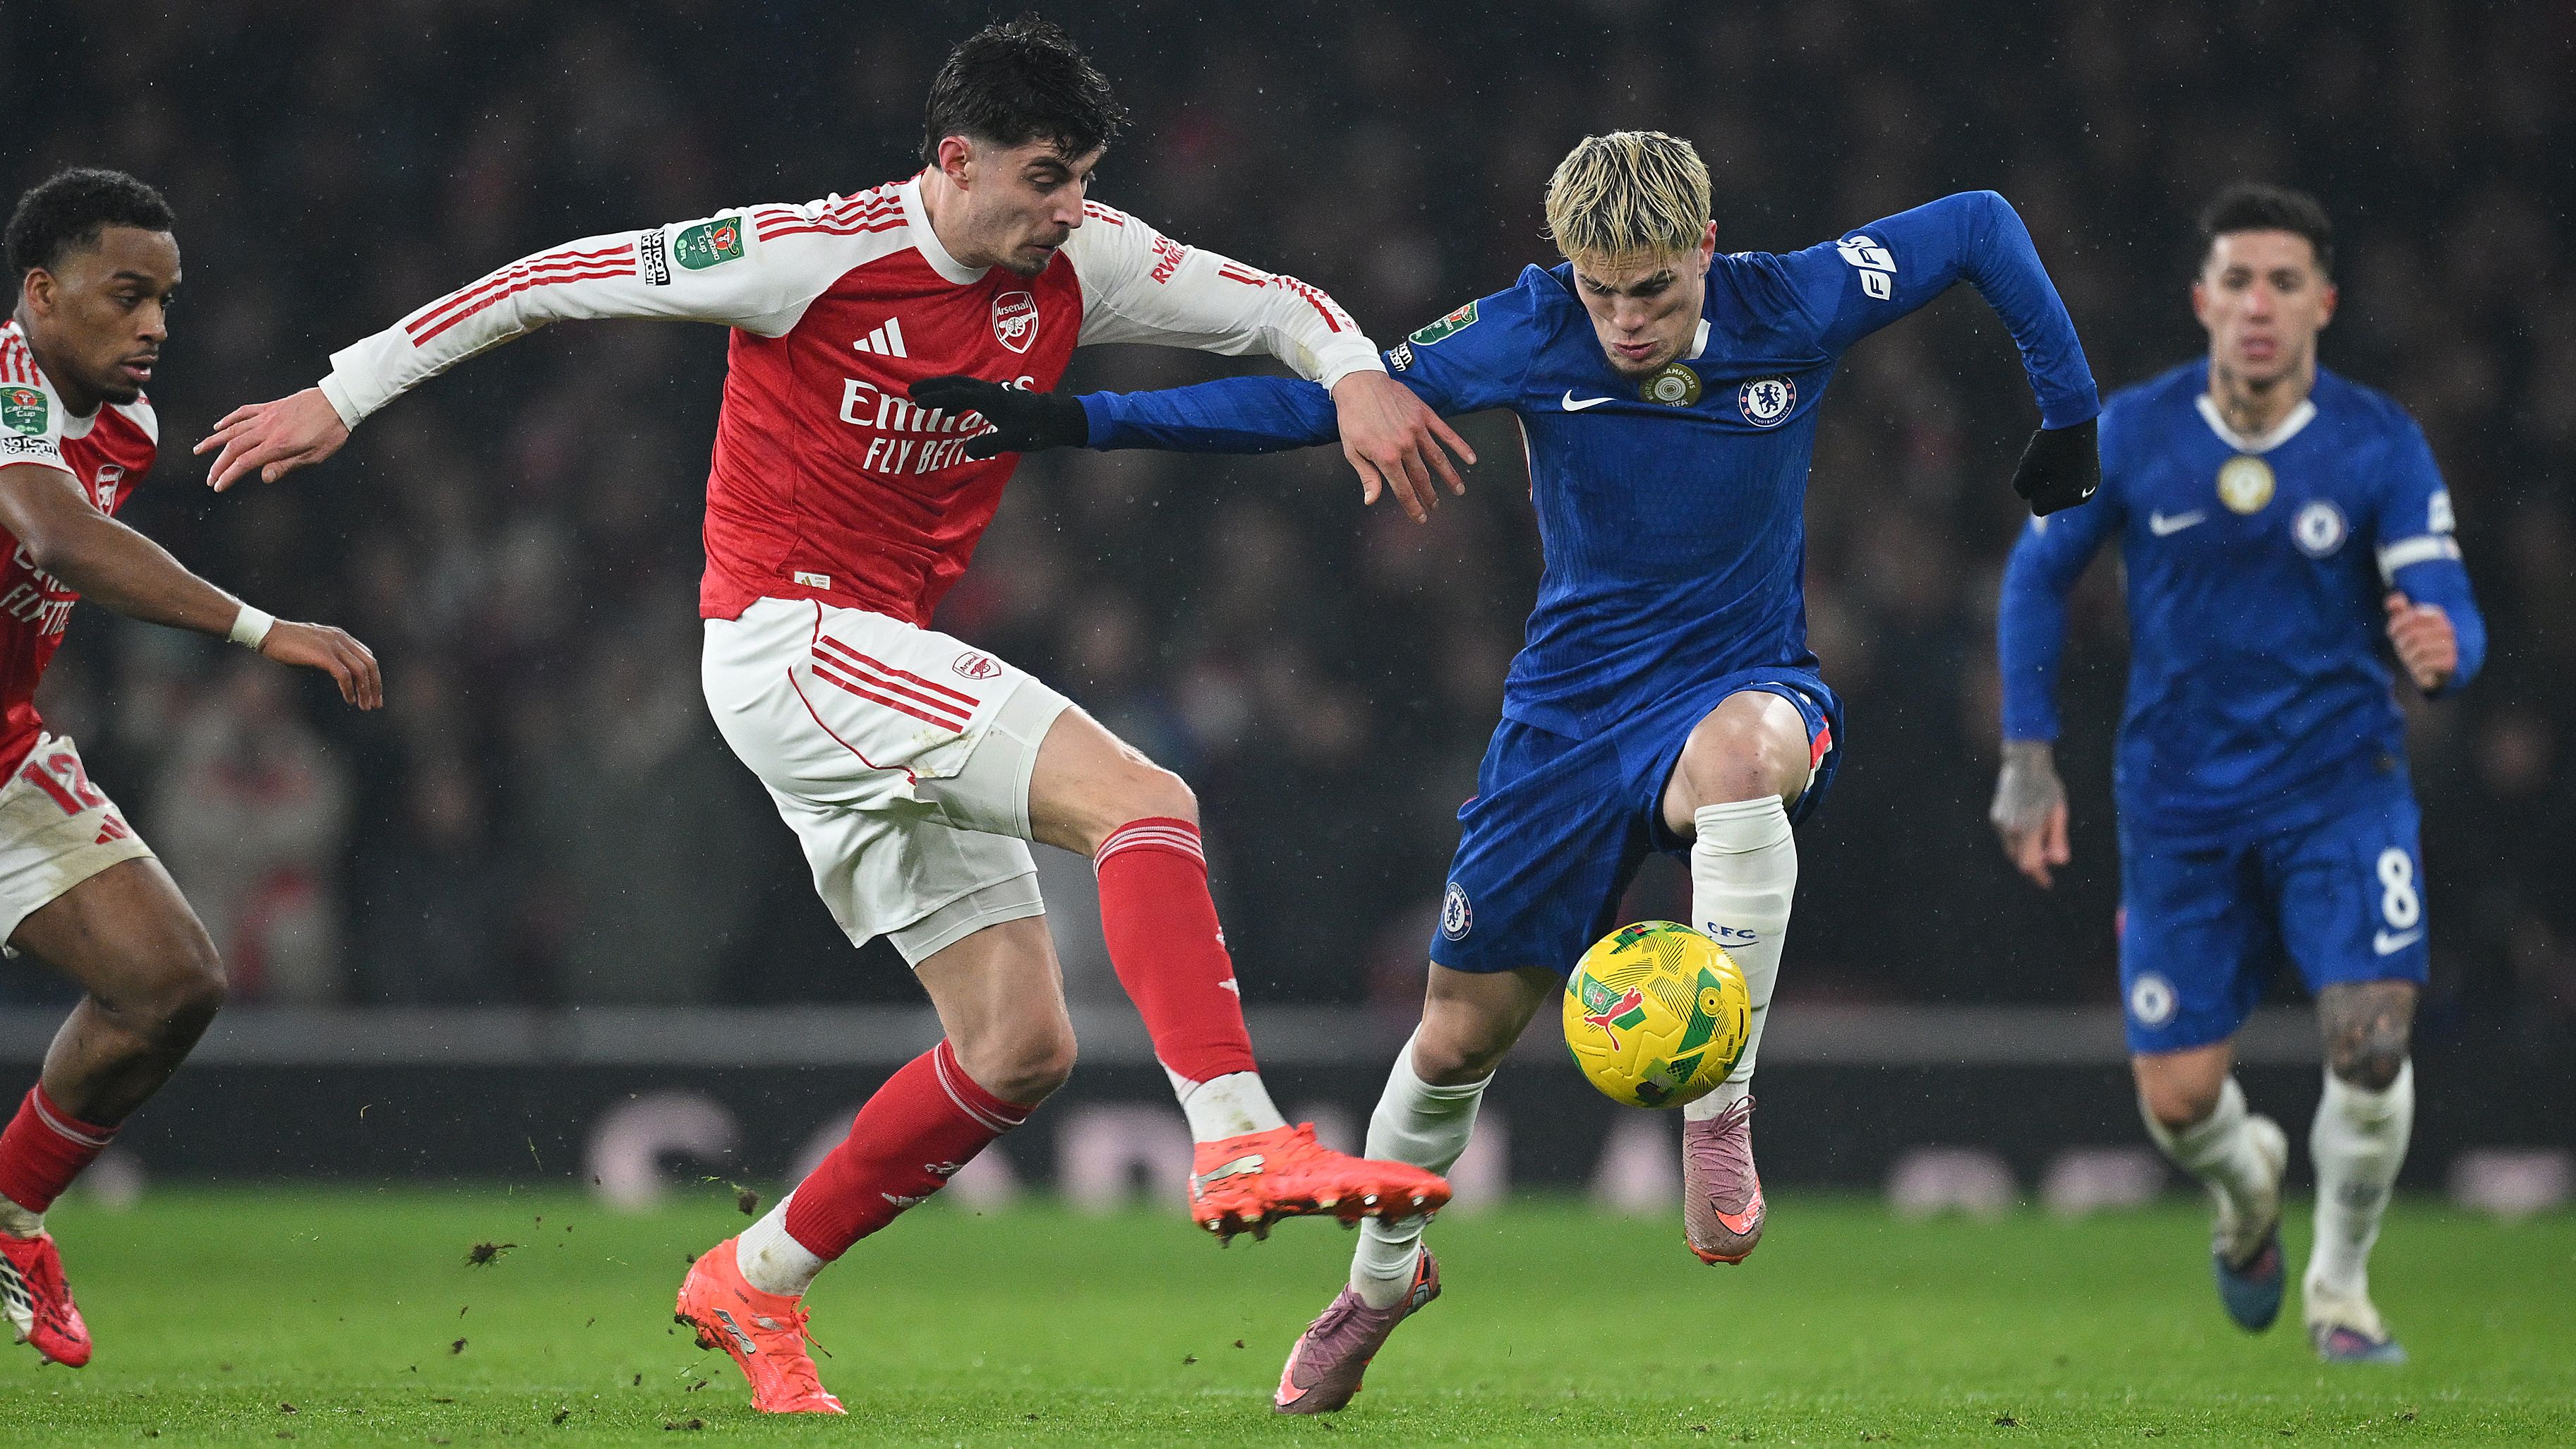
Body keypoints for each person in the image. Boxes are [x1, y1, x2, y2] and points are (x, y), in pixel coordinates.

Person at [193, 18, 1458, 1415]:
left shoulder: (1081, 260)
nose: (1070, 210)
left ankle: (754, 1276)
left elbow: (1277, 300)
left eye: (1083, 178)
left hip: (871, 656)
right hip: (786, 640)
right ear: (954, 159)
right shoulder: (805, 254)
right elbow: (556, 281)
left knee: (1019, 1047)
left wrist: (1352, 375)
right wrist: (341, 390)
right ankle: (1234, 1134)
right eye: (1044, 178)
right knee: (1143, 798)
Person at [939, 129, 2100, 1413]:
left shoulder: (1798, 300)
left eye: (1652, 289)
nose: (1623, 319)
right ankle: (1380, 1286)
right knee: (1451, 1042)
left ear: (1705, 251)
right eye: (1598, 290)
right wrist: (1083, 418)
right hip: (1562, 729)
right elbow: (1318, 401)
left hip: (1739, 685)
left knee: (1743, 759)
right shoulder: (1529, 328)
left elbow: (1985, 220)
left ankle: (1717, 1110)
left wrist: (2070, 416)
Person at [1990, 183, 2482, 1366]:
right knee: (2175, 1102)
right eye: (2237, 281)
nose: (2257, 305)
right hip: (2178, 801)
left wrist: (2445, 650)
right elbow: (2032, 578)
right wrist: (2026, 754)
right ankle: (2248, 1186)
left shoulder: (2377, 440)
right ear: (2200, 299)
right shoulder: (2133, 432)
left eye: (2282, 283)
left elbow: (2445, 601)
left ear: (2322, 303)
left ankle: (2341, 1292)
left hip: (2340, 788)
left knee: (2368, 1045)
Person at [0, 167, 381, 1368]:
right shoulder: (4, 378)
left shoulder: (126, 428)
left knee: (169, 980)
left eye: (166, 298)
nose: (157, 324)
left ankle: (9, 1215)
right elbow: (55, 535)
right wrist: (266, 629)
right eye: (127, 296)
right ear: (41, 294)